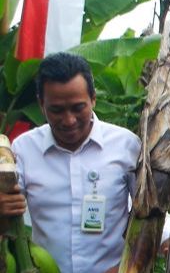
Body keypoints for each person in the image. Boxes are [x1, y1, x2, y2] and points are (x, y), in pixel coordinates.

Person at [0, 52, 140, 273]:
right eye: (56, 110)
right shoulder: (24, 150)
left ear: (93, 98)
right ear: (41, 103)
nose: (69, 120)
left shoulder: (126, 146)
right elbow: (8, 221)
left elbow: (147, 211)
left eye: (78, 108)